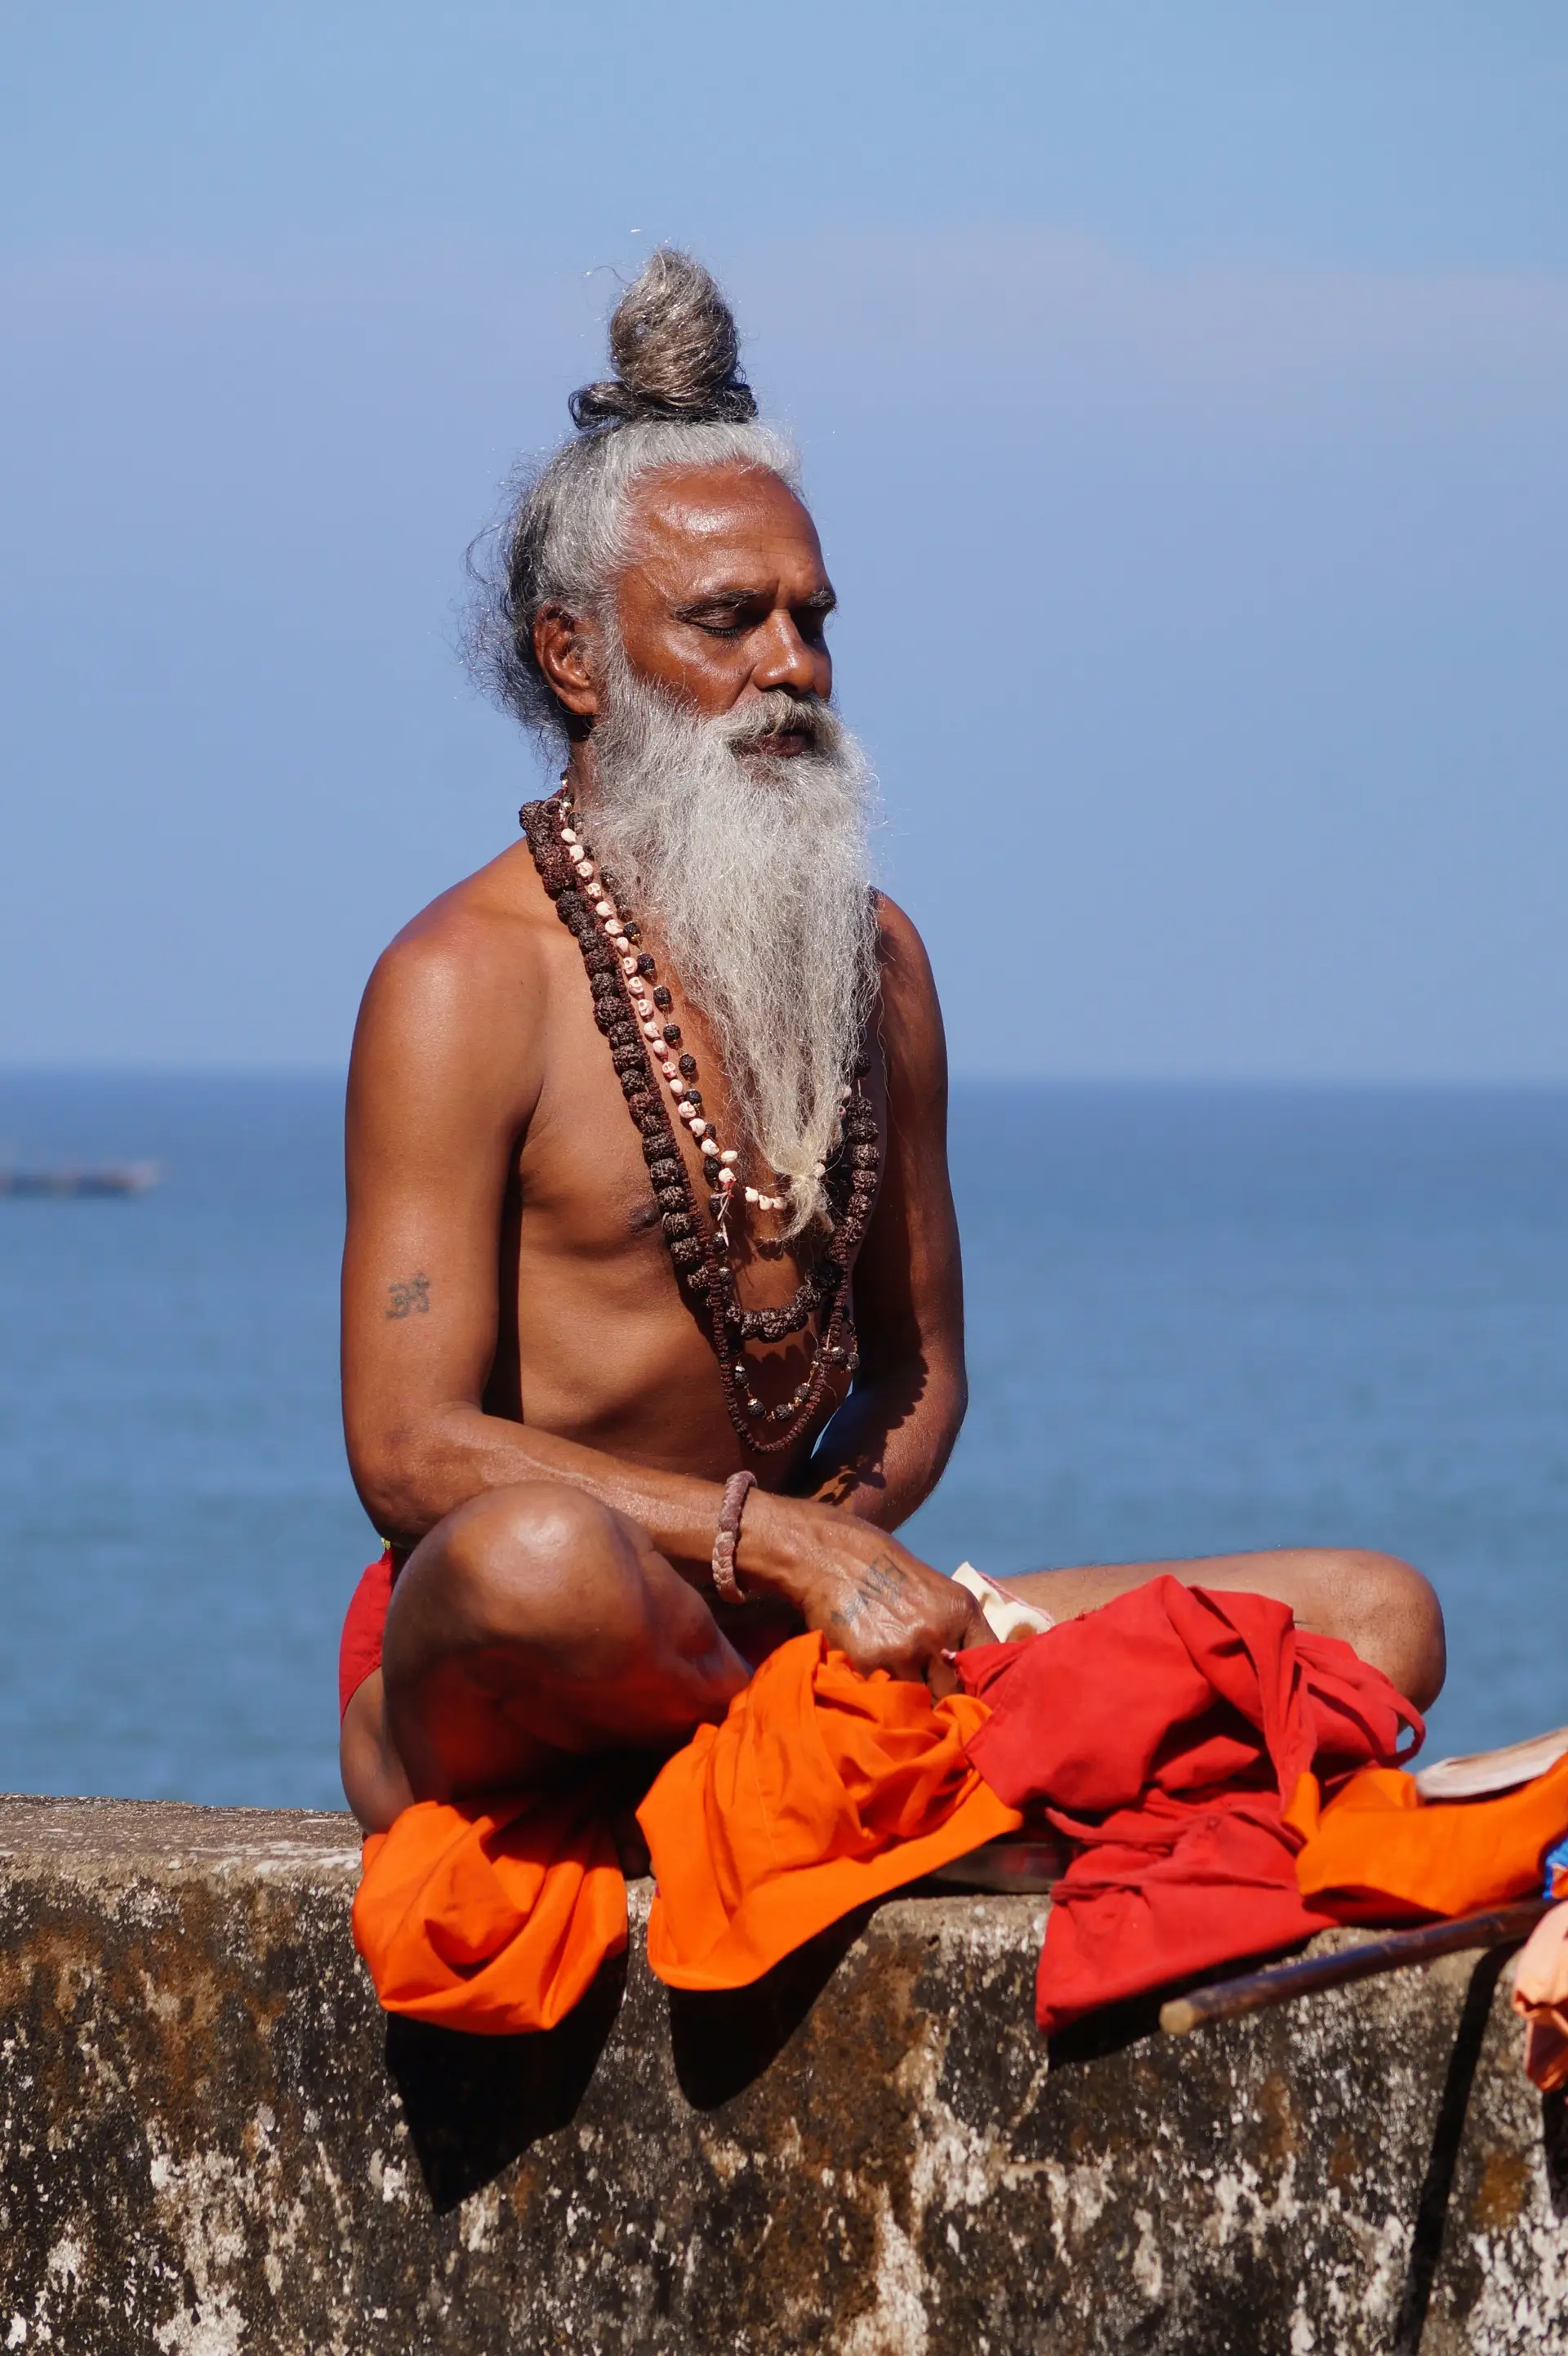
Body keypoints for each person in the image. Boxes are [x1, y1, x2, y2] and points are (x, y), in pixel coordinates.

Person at [338, 250, 1444, 1837]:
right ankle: (882, 1775)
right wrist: (779, 1547)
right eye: (729, 618)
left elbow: (920, 1366)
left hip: (797, 1627)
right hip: (540, 1642)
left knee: (1371, 1610)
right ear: (573, 658)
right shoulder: (463, 980)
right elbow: (406, 1445)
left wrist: (841, 1543)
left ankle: (832, 1762)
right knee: (537, 1559)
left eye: (812, 618)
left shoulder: (879, 964)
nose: (793, 665)